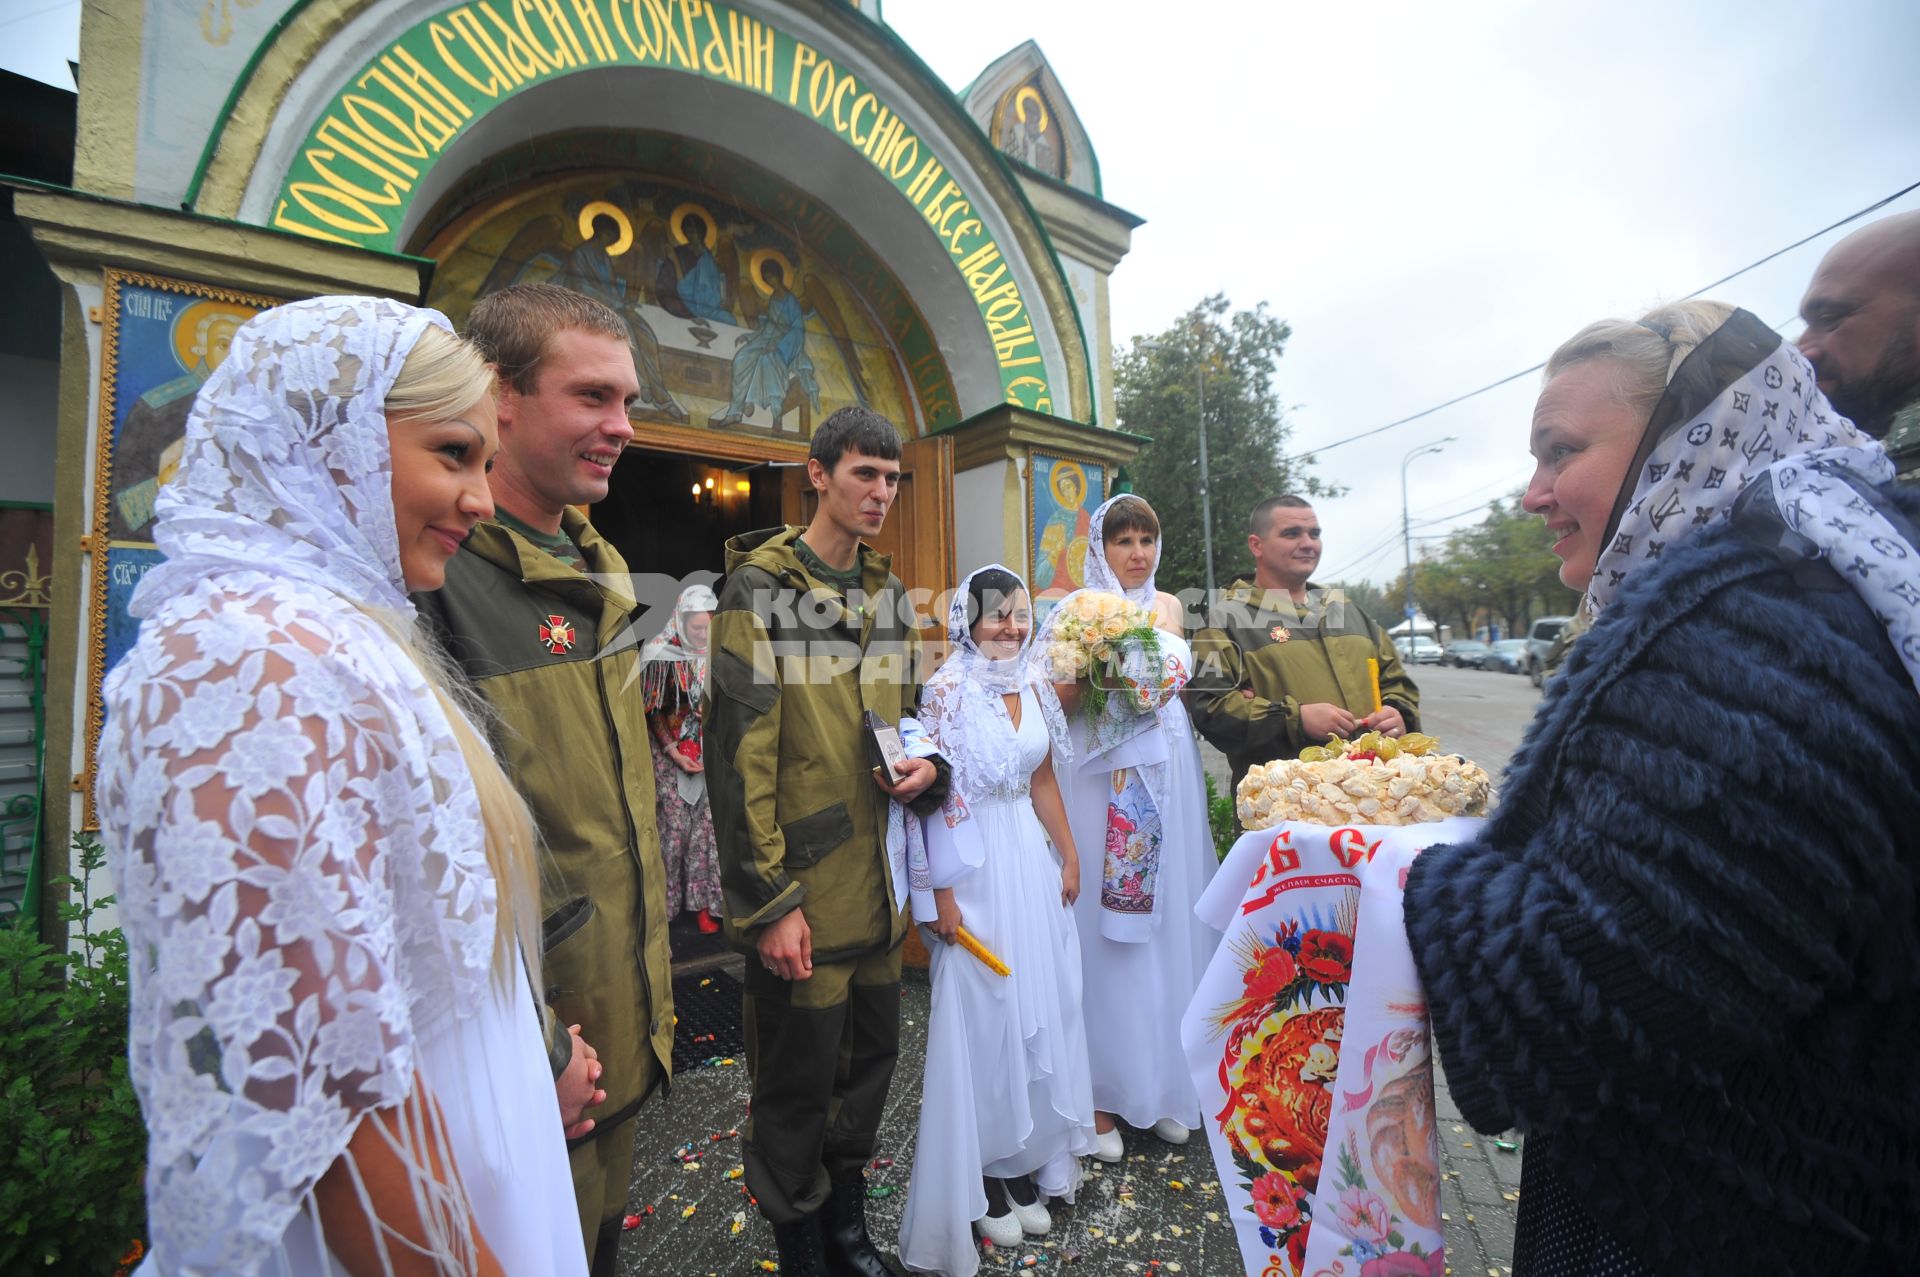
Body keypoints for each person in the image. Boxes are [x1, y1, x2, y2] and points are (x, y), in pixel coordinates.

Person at [1404, 301, 1920, 1271]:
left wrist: (1404, 875)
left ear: (1687, 435)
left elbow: (1582, 987)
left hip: (1709, 1218)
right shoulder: (1789, 581)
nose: (1533, 493)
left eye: (1561, 451)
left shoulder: (1750, 629)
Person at [95, 296, 586, 1273]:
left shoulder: (331, 632)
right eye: (452, 454)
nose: (482, 498)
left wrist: (523, 1069)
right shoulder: (249, 659)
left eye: (486, 462)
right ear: (322, 443)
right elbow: (322, 1091)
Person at [412, 282, 673, 1276]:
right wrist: (538, 1045)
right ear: (499, 395)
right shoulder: (441, 577)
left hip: (614, 1021)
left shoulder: (600, 566)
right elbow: (424, 859)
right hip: (532, 1048)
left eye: (630, 401)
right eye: (594, 396)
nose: (622, 427)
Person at [706, 406, 951, 1275]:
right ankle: (803, 1251)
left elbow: (915, 718)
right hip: (805, 892)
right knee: (796, 1091)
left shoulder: (887, 593)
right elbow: (738, 756)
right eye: (863, 474)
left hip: (879, 895)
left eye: (892, 478)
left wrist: (932, 771)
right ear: (818, 475)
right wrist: (769, 902)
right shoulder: (762, 589)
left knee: (867, 1075)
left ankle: (847, 1239)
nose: (881, 492)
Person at [897, 565, 1095, 1274]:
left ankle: (1025, 1156)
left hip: (1030, 866)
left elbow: (1041, 776)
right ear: (966, 623)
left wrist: (1068, 855)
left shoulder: (1034, 683)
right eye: (995, 615)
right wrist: (940, 896)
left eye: (1018, 615)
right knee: (987, 1018)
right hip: (973, 870)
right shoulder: (945, 691)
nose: (1010, 628)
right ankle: (980, 1173)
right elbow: (930, 802)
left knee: (1043, 1004)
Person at [1038, 495, 1220, 1159]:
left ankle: (1163, 1082)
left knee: (1167, 928)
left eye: (1147, 538)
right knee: (1105, 936)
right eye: (1123, 540)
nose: (1137, 552)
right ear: (1100, 548)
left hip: (1166, 779)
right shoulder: (1074, 609)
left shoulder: (1169, 606)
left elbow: (1173, 683)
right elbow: (1051, 699)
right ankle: (1101, 1090)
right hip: (1100, 784)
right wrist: (1093, 666)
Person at [1188, 494, 1419, 803]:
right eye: (1292, 534)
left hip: (1373, 802)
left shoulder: (1347, 609)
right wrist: (1296, 719)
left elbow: (1396, 682)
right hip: (1287, 812)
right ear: (1256, 545)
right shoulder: (1224, 618)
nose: (1308, 543)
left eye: (1315, 534)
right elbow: (1211, 709)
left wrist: (1398, 712)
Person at [642, 582, 725, 934]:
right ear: (680, 620)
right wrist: (673, 750)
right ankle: (667, 908)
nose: (703, 634)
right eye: (696, 628)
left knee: (707, 832)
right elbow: (652, 711)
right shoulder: (660, 654)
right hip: (669, 752)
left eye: (709, 627)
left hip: (710, 755)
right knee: (673, 832)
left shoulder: (721, 655)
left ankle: (704, 905)